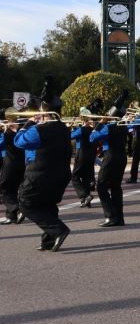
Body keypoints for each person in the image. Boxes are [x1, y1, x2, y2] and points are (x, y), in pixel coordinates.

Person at [13, 77, 72, 251]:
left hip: (40, 175)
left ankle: (58, 230)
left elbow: (19, 141)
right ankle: (48, 241)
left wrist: (29, 122)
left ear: (44, 112)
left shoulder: (39, 130)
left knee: (25, 203)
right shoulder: (64, 128)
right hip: (60, 175)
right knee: (48, 205)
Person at [89, 93, 130, 227]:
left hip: (111, 157)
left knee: (101, 186)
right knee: (116, 187)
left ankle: (110, 216)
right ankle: (119, 217)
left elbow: (92, 138)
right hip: (121, 157)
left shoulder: (108, 127)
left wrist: (99, 124)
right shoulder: (123, 126)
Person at [69, 109, 97, 208]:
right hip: (91, 155)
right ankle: (85, 200)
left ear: (82, 119)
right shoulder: (92, 130)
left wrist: (70, 127)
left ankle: (85, 195)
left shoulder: (81, 130)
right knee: (85, 177)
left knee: (74, 177)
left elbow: (70, 136)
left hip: (81, 155)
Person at [0, 118, 25, 225]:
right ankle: (11, 216)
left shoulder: (7, 134)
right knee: (13, 189)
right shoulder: (22, 134)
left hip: (10, 165)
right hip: (22, 164)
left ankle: (17, 208)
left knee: (3, 188)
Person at [127, 104, 140, 184]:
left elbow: (128, 127)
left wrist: (129, 120)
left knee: (135, 161)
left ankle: (133, 178)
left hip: (137, 141)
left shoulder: (138, 119)